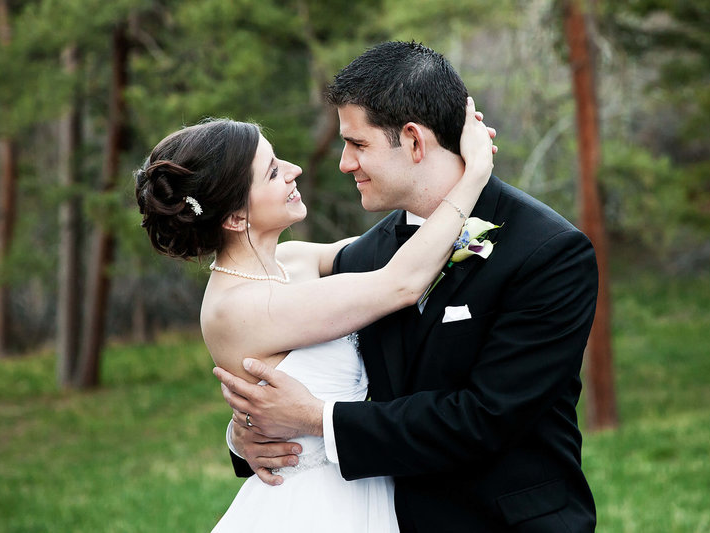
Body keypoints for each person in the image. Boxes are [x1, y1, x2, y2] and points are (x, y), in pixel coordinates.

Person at [216, 41, 599, 532]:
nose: (344, 164)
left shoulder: (549, 253)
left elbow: (484, 418)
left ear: (415, 142)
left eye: (357, 145)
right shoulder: (369, 258)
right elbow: (306, 370)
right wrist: (245, 432)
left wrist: (316, 418)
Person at [134, 99, 494, 531]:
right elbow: (400, 281)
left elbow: (391, 243)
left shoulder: (293, 259)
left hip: (365, 486)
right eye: (271, 172)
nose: (293, 170)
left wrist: (431, 164)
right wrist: (474, 172)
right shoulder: (240, 307)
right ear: (234, 216)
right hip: (314, 508)